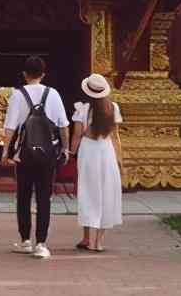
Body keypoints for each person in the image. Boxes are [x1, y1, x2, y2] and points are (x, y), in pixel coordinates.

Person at [0, 55, 70, 259]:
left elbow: (10, 127)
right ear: (43, 74)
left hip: (24, 154)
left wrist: (5, 151)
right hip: (47, 154)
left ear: (24, 74)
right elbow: (64, 126)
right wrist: (65, 149)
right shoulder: (53, 94)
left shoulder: (17, 95)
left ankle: (25, 241)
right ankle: (41, 244)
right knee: (44, 198)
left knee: (23, 196)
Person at [70, 73, 124, 252]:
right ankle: (97, 242)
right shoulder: (113, 108)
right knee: (106, 193)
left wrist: (70, 153)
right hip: (107, 151)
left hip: (88, 151)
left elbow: (77, 136)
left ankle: (88, 239)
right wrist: (120, 159)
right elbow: (115, 137)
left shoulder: (83, 109)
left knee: (88, 193)